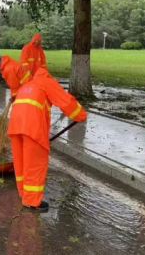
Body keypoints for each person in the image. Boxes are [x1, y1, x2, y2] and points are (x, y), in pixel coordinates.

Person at [8, 68, 87, 211]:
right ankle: (31, 201)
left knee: (21, 161)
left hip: (14, 125)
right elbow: (66, 101)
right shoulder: (47, 82)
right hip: (32, 128)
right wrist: (80, 114)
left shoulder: (27, 85)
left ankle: (23, 193)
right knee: (35, 163)